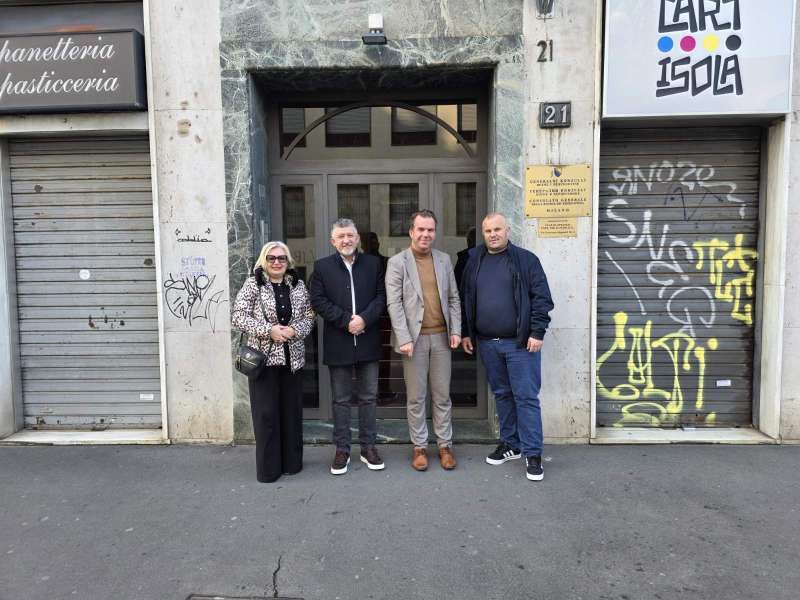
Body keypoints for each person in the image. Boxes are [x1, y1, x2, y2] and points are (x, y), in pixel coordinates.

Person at [460, 213, 554, 481]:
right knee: (502, 394)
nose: (493, 234)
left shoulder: (525, 260)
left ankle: (533, 454)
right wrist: (467, 332)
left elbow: (542, 298)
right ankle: (511, 444)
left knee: (525, 397)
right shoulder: (473, 260)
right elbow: (466, 298)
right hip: (488, 343)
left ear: (507, 230)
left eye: (497, 229)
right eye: (488, 230)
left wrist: (537, 331)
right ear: (483, 233)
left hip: (520, 344)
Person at [231, 241, 315, 483]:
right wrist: (269, 330)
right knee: (266, 416)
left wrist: (294, 331)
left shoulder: (297, 285)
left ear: (288, 262)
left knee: (291, 414)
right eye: (272, 258)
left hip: (292, 361)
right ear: (264, 260)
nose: (277, 262)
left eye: (281, 258)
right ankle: (269, 470)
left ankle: (292, 464)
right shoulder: (253, 284)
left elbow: (309, 316)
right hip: (264, 362)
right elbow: (238, 316)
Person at [309, 218, 387, 475]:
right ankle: (342, 449)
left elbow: (381, 297)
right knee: (341, 400)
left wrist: (364, 319)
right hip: (339, 341)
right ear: (333, 241)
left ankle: (368, 447)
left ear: (357, 238)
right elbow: (318, 300)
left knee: (368, 398)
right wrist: (346, 321)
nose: (346, 240)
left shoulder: (373, 264)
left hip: (368, 338)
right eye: (341, 236)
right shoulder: (322, 267)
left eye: (350, 235)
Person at [385, 210, 461, 471]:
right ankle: (419, 447)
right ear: (411, 232)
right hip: (413, 341)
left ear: (434, 233)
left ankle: (444, 445)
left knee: (442, 396)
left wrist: (456, 330)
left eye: (430, 230)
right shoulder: (397, 263)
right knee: (416, 397)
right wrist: (404, 337)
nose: (425, 234)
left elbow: (453, 298)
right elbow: (394, 303)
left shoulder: (444, 259)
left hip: (441, 338)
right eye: (421, 229)